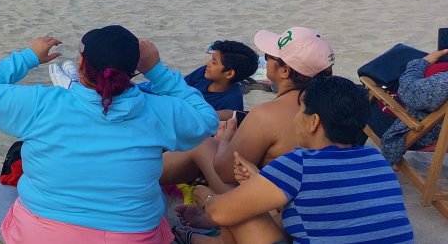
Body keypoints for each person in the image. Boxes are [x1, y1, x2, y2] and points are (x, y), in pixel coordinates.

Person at [0, 26, 218, 242]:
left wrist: (28, 56)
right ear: (134, 72)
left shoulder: (42, 103)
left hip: (46, 236)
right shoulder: (159, 111)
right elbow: (207, 120)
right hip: (132, 237)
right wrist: (157, 71)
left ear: (80, 65)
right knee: (156, 198)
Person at [193, 76, 414, 244]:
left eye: (301, 110)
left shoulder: (298, 164)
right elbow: (321, 212)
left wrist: (207, 199)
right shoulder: (377, 160)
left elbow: (219, 212)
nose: (296, 117)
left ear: (313, 122)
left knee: (236, 213)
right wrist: (260, 181)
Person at [162, 26, 335, 197]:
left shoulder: (267, 114)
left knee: (203, 145)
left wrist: (225, 139)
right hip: (309, 195)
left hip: (271, 206)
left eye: (268, 57)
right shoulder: (332, 104)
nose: (265, 61)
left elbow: (225, 172)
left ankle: (140, 176)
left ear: (284, 71)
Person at [379, 47, 448, 164]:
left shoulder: (443, 82)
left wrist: (422, 62)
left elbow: (408, 92)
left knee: (361, 94)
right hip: (439, 129)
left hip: (426, 136)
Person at [182, 40, 257, 115]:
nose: (207, 63)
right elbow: (181, 86)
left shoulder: (232, 102)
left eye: (214, 62)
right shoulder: (205, 72)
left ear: (229, 73)